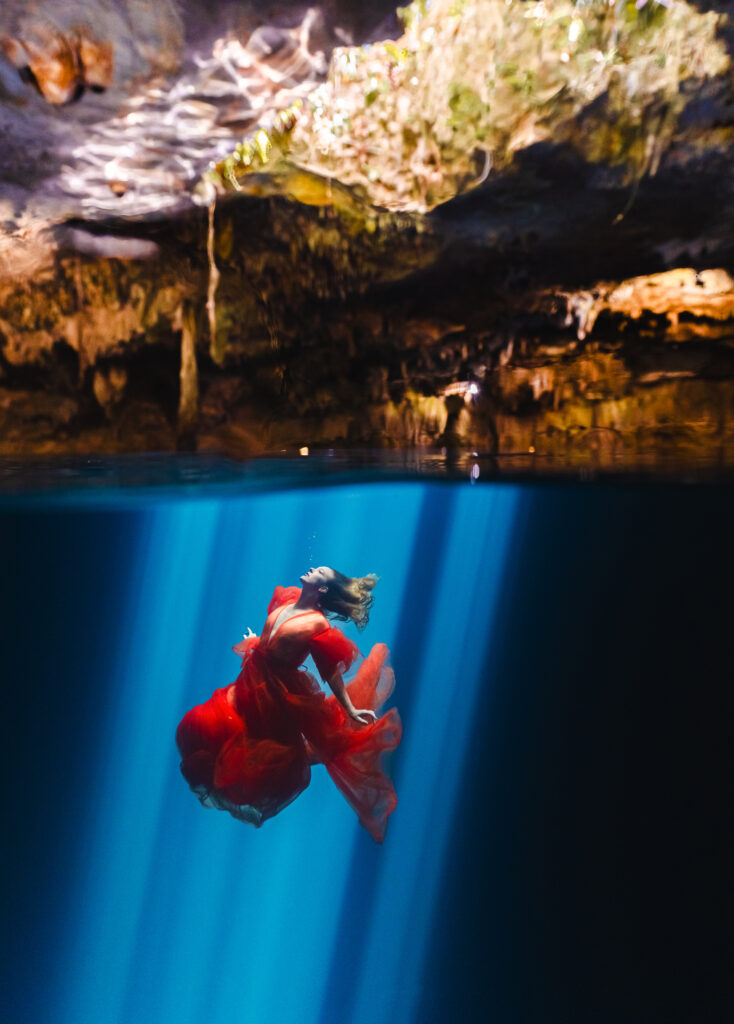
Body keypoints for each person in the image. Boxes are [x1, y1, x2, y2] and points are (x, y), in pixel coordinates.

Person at [176, 567, 401, 843]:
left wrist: (349, 708)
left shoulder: (316, 624)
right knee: (215, 725)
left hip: (272, 692)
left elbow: (330, 672)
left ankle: (241, 773)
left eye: (319, 572)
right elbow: (274, 640)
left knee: (250, 742)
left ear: (322, 589)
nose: (313, 569)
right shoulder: (289, 600)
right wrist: (257, 642)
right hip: (252, 678)